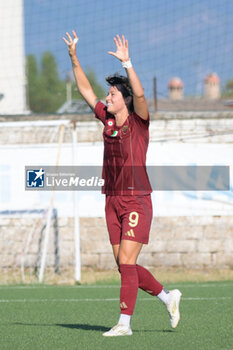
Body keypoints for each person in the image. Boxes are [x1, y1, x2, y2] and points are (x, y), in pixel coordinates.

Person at [63, 30, 182, 337]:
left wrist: (128, 63)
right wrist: (74, 58)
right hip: (111, 198)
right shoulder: (108, 120)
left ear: (125, 99)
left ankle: (124, 324)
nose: (108, 97)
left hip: (136, 199)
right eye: (109, 94)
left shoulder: (139, 122)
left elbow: (140, 96)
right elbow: (86, 91)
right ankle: (167, 297)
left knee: (127, 261)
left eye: (114, 94)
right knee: (122, 264)